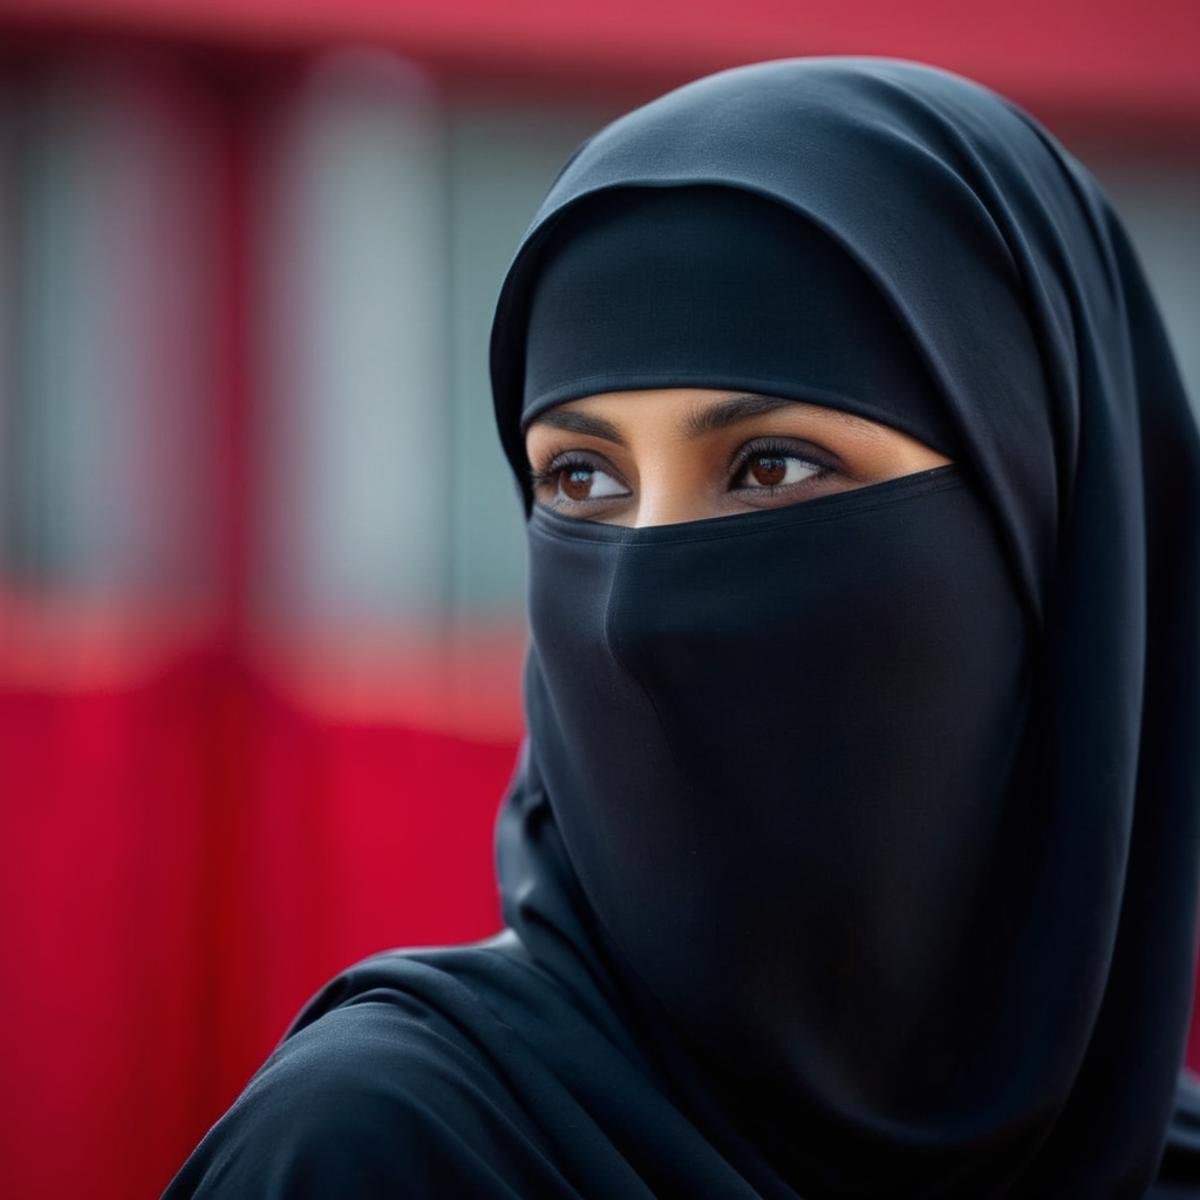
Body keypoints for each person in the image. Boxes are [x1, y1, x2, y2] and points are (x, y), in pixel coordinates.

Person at [163, 56, 1200, 1197]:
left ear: (1044, 542)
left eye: (769, 465)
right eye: (582, 483)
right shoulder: (387, 1151)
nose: (634, 612)